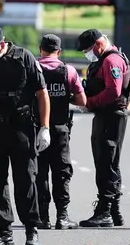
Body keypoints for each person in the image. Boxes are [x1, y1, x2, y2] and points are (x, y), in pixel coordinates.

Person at [0, 25, 51, 245]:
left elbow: (42, 93)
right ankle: (4, 231)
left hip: (21, 126)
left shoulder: (24, 58)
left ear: (2, 44)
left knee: (25, 179)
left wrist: (45, 127)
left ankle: (31, 229)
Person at [76, 29, 130, 228]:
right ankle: (114, 210)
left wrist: (90, 102)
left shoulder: (111, 61)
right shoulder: (107, 59)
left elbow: (114, 91)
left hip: (110, 116)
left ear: (99, 43)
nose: (87, 53)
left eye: (88, 49)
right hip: (108, 116)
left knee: (105, 161)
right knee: (110, 162)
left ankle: (105, 211)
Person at [35, 34, 85, 230]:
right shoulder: (69, 71)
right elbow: (83, 101)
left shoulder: (33, 68)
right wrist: (65, 98)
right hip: (60, 129)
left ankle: (43, 217)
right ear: (59, 51)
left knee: (39, 173)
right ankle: (62, 217)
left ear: (41, 49)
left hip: (37, 129)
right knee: (62, 173)